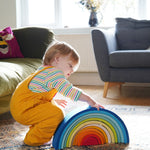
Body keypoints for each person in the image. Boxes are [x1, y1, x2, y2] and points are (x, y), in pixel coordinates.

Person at [10, 41, 104, 146]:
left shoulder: (44, 71)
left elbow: (36, 93)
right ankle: (34, 140)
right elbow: (69, 90)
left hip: (21, 107)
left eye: (74, 69)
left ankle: (36, 132)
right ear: (57, 59)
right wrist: (89, 100)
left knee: (52, 107)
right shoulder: (54, 73)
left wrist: (52, 100)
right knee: (56, 114)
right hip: (24, 110)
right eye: (70, 65)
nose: (72, 71)